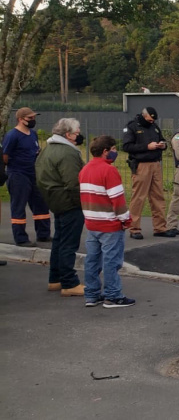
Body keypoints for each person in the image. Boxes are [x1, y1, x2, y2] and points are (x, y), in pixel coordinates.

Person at [79, 135, 135, 308]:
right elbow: (117, 199)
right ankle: (113, 295)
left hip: (91, 222)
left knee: (92, 260)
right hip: (109, 224)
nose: (115, 152)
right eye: (113, 149)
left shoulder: (85, 169)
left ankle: (92, 294)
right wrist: (126, 219)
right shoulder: (109, 170)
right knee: (111, 261)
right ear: (105, 151)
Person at [35, 118, 85, 296]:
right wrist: (82, 202)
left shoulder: (48, 148)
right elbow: (73, 183)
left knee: (59, 240)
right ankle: (69, 282)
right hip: (69, 202)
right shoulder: (68, 153)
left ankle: (55, 279)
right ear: (68, 135)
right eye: (77, 133)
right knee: (68, 244)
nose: (79, 135)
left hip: (55, 199)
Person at [2, 107, 50, 246]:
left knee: (40, 203)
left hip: (33, 173)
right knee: (19, 206)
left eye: (34, 117)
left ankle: (43, 234)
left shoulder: (33, 134)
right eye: (30, 118)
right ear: (20, 119)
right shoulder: (12, 135)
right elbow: (5, 156)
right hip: (18, 174)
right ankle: (21, 238)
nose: (33, 120)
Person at [122, 107, 167, 239]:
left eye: (153, 120)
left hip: (156, 164)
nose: (152, 122)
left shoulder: (154, 127)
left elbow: (162, 139)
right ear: (143, 116)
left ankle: (160, 228)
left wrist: (163, 145)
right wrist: (147, 147)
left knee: (158, 197)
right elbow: (127, 146)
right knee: (139, 197)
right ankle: (134, 228)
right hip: (141, 165)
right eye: (150, 119)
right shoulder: (132, 127)